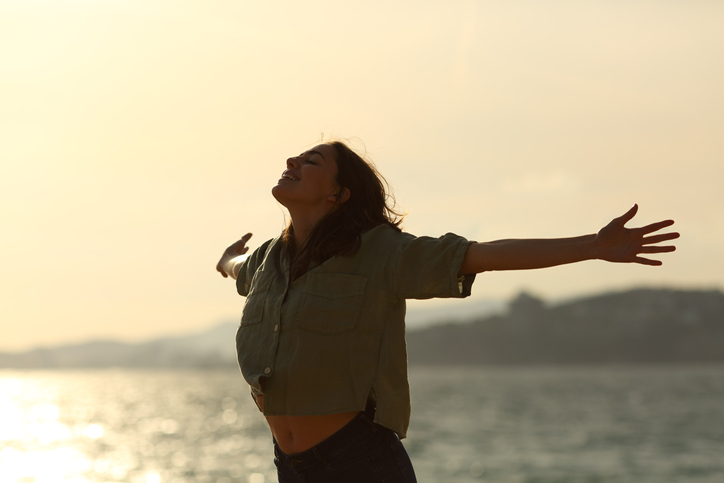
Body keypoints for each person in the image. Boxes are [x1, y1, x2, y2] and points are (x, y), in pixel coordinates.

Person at [216, 141, 679, 483]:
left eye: (311, 161)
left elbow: (483, 255)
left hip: (358, 462)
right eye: (294, 158)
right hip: (290, 466)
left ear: (339, 194)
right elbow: (237, 269)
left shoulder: (380, 253)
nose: (292, 162)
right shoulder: (268, 261)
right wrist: (226, 259)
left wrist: (593, 246)